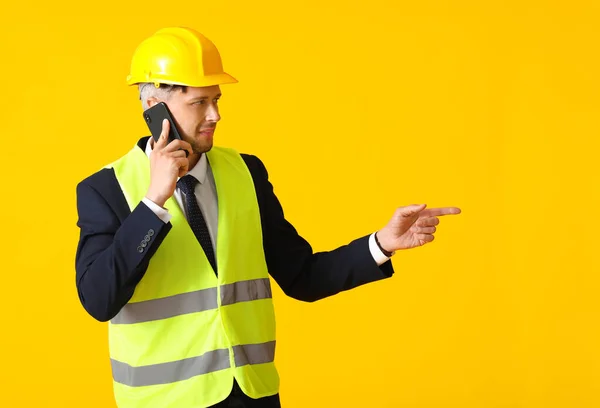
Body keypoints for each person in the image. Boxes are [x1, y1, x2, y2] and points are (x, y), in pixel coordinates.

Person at [74, 27, 461, 408]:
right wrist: (154, 201)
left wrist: (381, 244)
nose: (215, 115)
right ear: (152, 107)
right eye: (199, 102)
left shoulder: (246, 173)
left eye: (217, 99)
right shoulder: (106, 189)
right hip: (163, 402)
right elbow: (99, 300)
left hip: (252, 395)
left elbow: (302, 276)